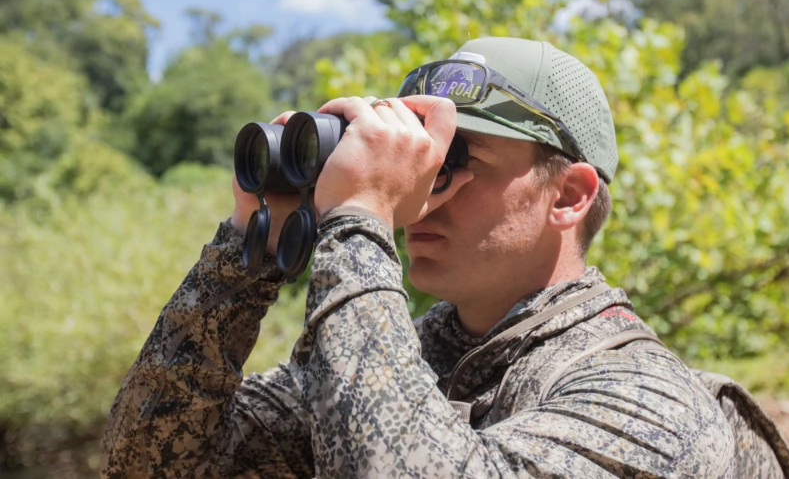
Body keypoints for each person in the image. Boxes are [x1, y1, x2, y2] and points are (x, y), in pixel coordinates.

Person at [101, 37, 740, 478]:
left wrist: (361, 216)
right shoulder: (407, 354)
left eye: (453, 162)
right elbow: (153, 462)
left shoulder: (646, 401)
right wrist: (249, 253)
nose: (421, 197)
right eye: (419, 161)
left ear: (568, 195)